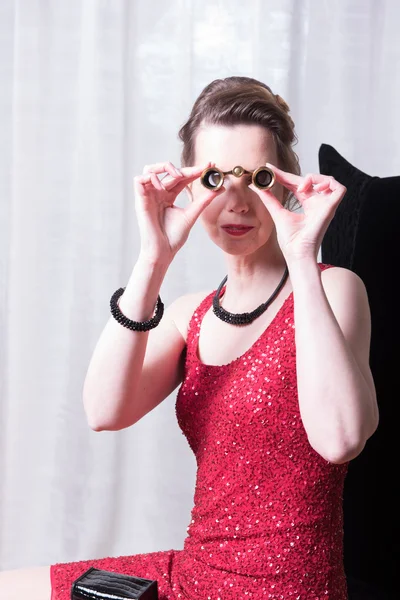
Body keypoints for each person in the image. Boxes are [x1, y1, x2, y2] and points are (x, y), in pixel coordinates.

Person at [0, 76, 378, 600]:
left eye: (257, 176)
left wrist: (301, 257)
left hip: (288, 588)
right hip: (196, 576)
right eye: (217, 176)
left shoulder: (333, 287)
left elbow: (341, 440)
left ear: (284, 181)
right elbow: (103, 411)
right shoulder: (189, 316)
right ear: (191, 185)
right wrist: (153, 259)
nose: (236, 200)